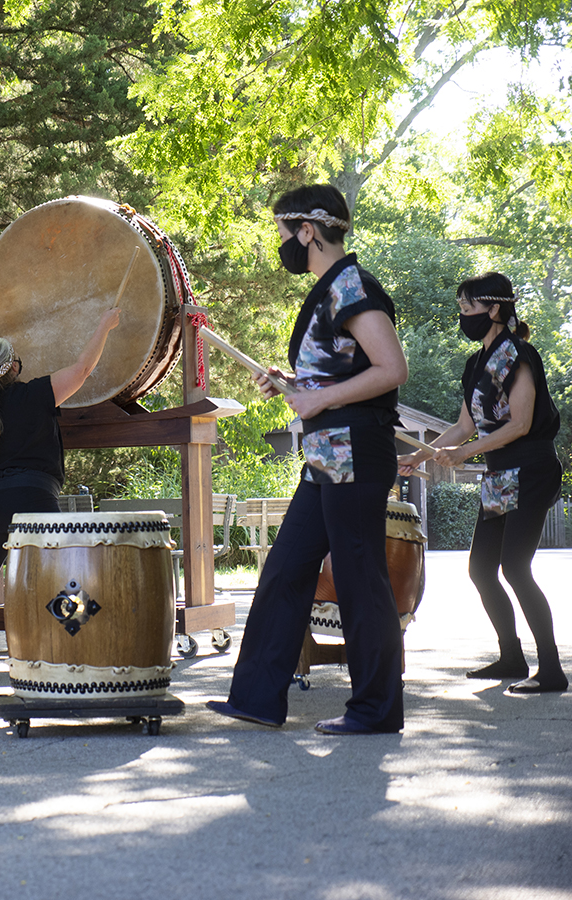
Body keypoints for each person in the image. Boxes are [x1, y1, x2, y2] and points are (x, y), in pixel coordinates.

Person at [206, 184, 409, 735]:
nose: (282, 246)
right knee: (286, 568)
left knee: (359, 577)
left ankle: (375, 711)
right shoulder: (330, 289)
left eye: (283, 233)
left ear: (308, 231)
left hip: (354, 450)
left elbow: (391, 369)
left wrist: (319, 398)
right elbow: (342, 371)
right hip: (328, 455)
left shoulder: (351, 286)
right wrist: (294, 384)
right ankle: (257, 698)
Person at [399, 273, 566, 693]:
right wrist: (421, 455)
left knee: (515, 567)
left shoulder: (520, 355)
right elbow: (464, 426)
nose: (463, 316)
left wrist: (465, 453)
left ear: (494, 309)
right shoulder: (477, 364)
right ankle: (511, 657)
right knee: (481, 569)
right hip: (499, 475)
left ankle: (551, 669)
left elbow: (521, 424)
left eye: (468, 308)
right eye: (461, 308)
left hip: (530, 470)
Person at [0, 306, 122, 656]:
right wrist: (104, 325)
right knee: (62, 573)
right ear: (13, 367)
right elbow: (83, 369)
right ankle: (83, 646)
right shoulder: (35, 394)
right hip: (32, 499)